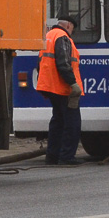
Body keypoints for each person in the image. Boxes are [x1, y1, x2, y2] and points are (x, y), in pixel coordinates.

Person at [35, 15, 84, 165]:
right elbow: (64, 63)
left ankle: (52, 156)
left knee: (58, 121)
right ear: (68, 25)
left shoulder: (48, 36)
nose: (72, 32)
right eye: (73, 29)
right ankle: (67, 156)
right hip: (64, 89)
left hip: (50, 87)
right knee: (72, 123)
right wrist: (73, 84)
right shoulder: (62, 37)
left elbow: (40, 64)